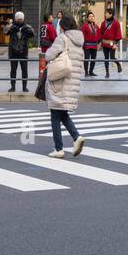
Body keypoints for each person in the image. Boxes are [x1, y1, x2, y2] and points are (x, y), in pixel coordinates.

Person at [42, 14, 86, 158]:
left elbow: (49, 55)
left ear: (63, 27)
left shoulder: (63, 38)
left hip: (60, 80)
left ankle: (59, 148)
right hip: (72, 81)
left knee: (55, 113)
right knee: (62, 112)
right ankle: (76, 137)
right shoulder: (80, 41)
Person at [5, 12, 35, 92]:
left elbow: (33, 34)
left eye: (21, 19)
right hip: (13, 51)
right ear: (15, 19)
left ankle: (24, 87)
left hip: (23, 52)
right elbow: (5, 32)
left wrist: (27, 29)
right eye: (18, 19)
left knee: (24, 70)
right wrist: (11, 27)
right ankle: (13, 87)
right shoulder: (12, 26)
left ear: (23, 19)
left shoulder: (27, 26)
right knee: (13, 70)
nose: (19, 20)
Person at [100, 12, 123, 76]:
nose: (105, 15)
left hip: (112, 43)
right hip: (105, 42)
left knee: (112, 57)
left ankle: (118, 64)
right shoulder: (103, 23)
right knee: (106, 58)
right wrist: (100, 40)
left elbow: (118, 34)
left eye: (107, 13)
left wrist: (116, 43)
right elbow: (100, 32)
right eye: (105, 13)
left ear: (111, 14)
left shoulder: (116, 23)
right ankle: (107, 73)